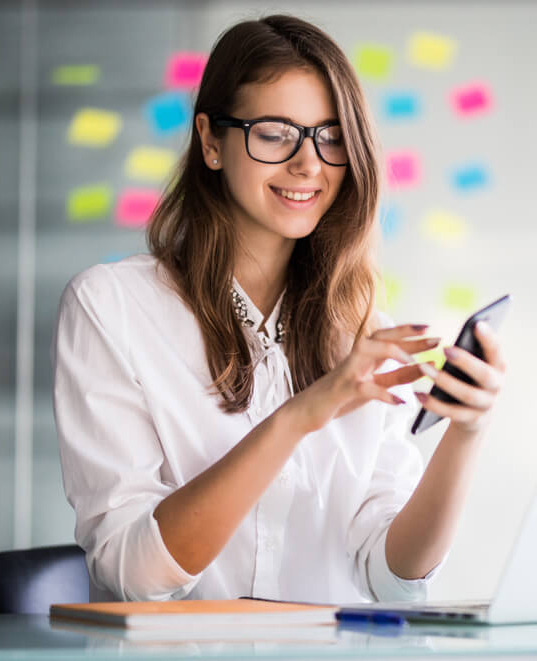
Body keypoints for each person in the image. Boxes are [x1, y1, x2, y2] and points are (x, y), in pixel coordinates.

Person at [52, 14, 505, 604]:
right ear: (211, 142)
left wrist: (466, 434)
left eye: (331, 135)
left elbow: (393, 579)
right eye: (274, 133)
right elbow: (134, 573)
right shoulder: (111, 307)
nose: (309, 164)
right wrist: (299, 416)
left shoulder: (367, 335)